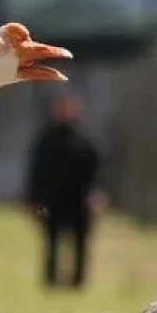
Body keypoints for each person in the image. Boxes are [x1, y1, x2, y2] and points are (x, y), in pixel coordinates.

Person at [25, 92, 103, 289]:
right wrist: (33, 199)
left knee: (80, 244)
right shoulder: (45, 141)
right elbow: (35, 171)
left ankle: (77, 282)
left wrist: (95, 195)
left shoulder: (85, 141)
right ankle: (51, 280)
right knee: (51, 242)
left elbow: (97, 171)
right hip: (53, 201)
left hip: (79, 201)